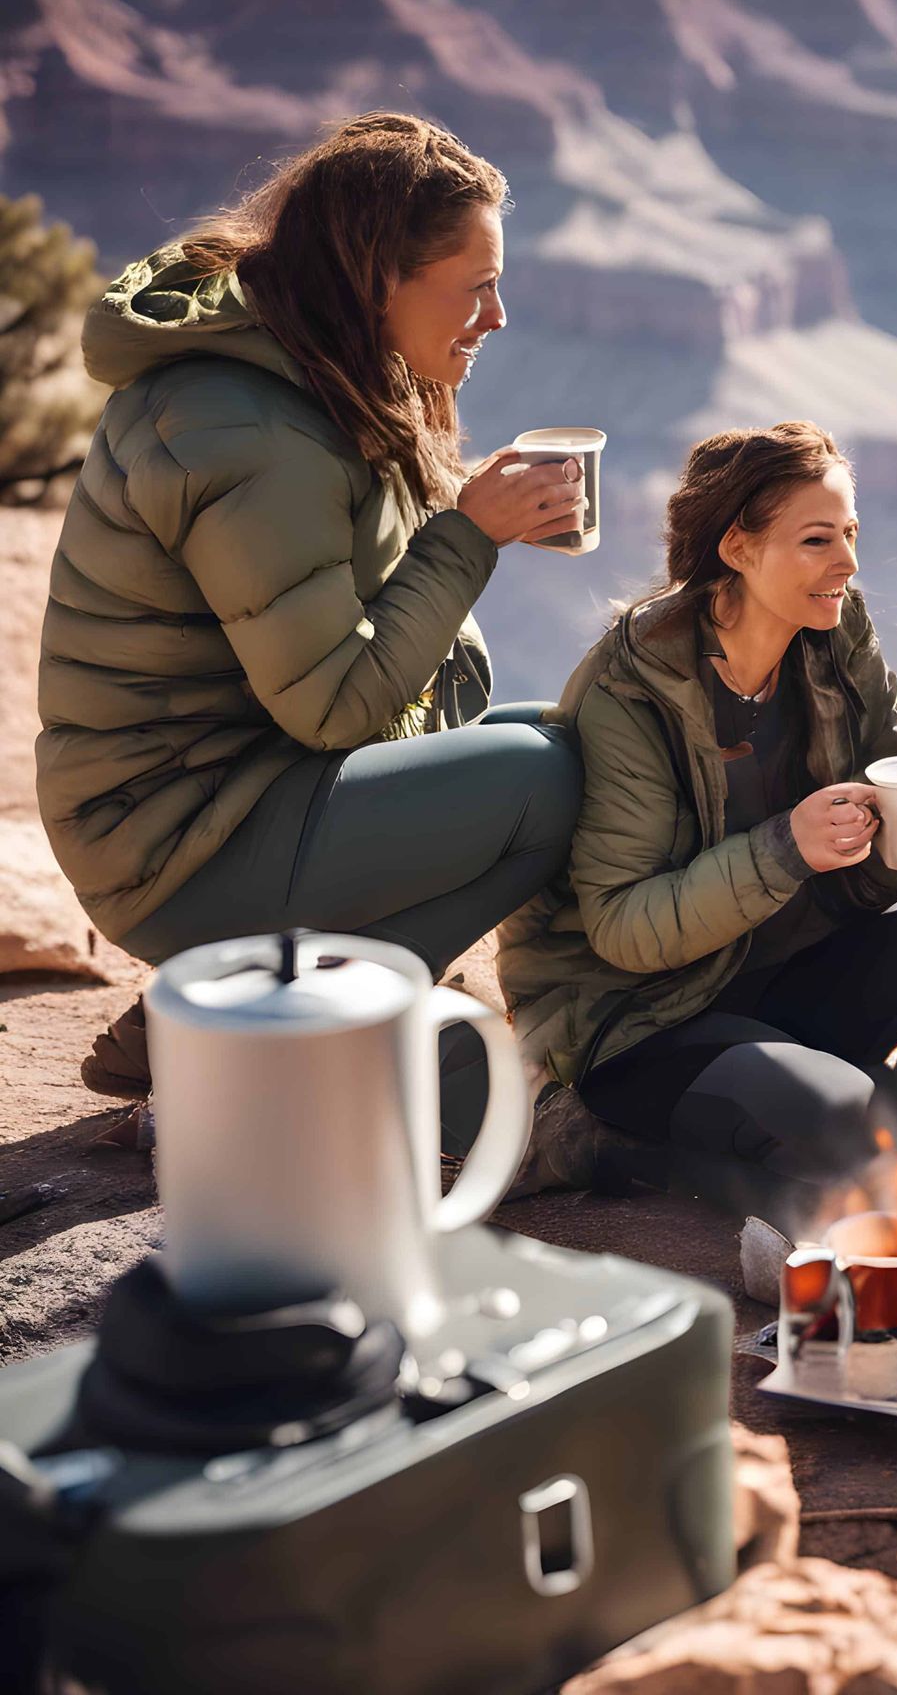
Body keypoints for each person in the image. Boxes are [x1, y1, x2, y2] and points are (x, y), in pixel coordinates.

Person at [37, 113, 585, 1093]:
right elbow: (331, 705)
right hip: (175, 845)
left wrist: (464, 517)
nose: (498, 315)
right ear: (379, 281)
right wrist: (468, 537)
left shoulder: (322, 373)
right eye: (476, 285)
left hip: (241, 795)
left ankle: (235, 1016)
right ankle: (271, 1033)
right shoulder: (240, 422)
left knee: (558, 738)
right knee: (546, 784)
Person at [495, 420, 897, 1222]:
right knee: (842, 1115)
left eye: (852, 535)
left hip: (786, 974)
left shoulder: (833, 635)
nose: (849, 564)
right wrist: (787, 846)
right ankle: (598, 1142)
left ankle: (872, 1177)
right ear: (737, 548)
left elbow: (859, 858)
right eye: (818, 540)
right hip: (644, 1019)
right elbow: (621, 927)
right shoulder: (632, 690)